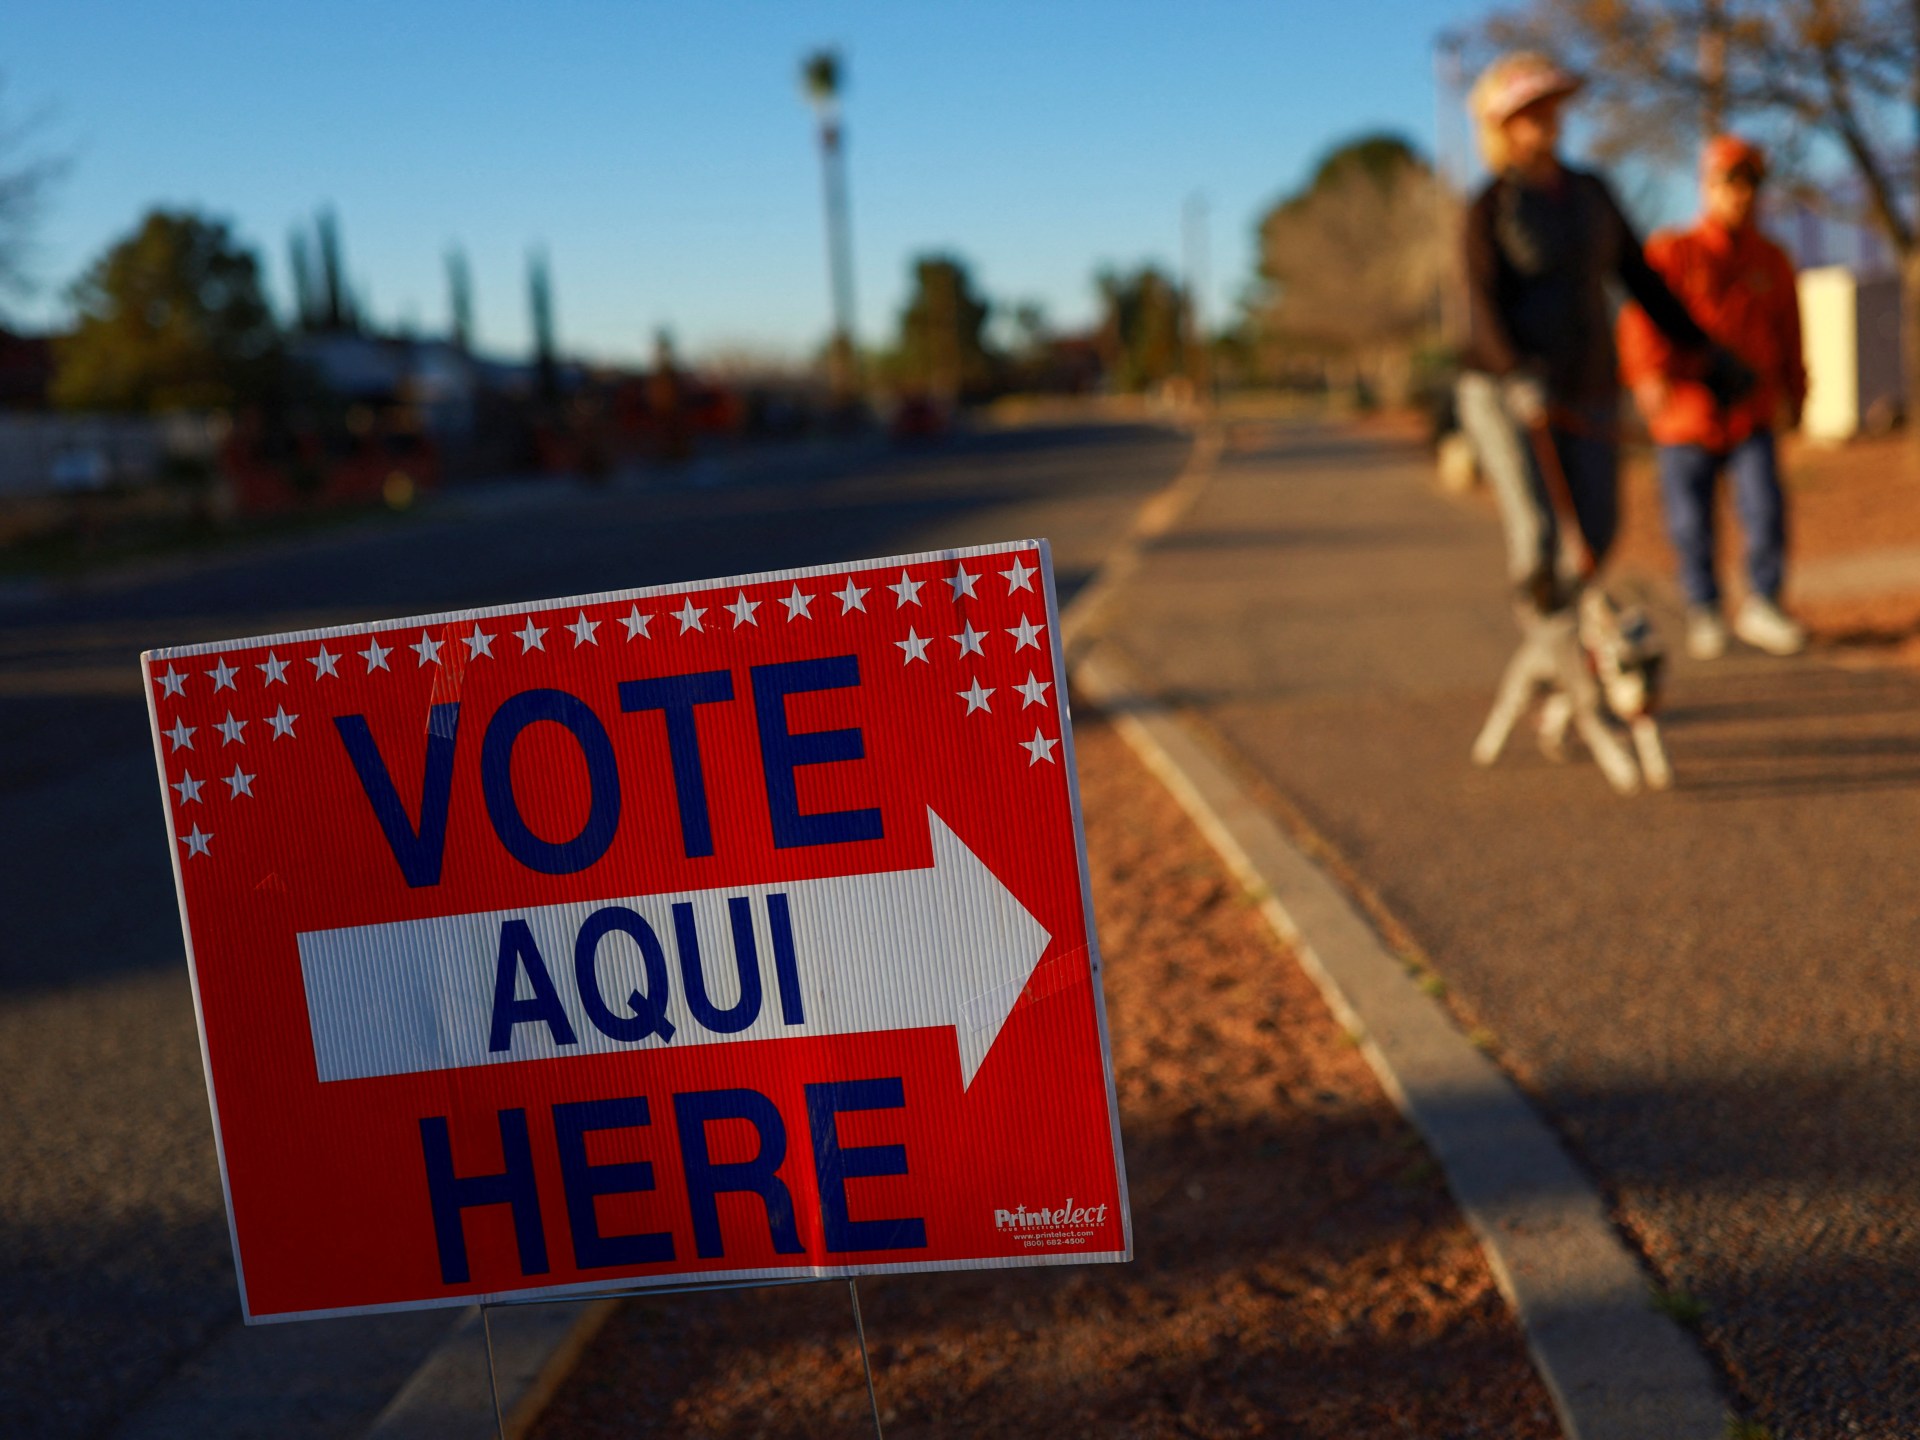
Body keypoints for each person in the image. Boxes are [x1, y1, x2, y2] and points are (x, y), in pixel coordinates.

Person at [1456, 52, 1741, 615]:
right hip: (1509, 392)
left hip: (1587, 385)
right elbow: (1481, 305)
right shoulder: (1488, 207)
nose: (1545, 121)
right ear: (1502, 125)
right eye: (1529, 111)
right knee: (1539, 538)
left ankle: (1574, 655)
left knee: (1597, 535)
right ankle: (1564, 667)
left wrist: (1703, 352)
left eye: (1549, 108)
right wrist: (1515, 375)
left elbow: (1640, 279)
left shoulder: (1591, 193)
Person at [1618, 135, 1808, 658]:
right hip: (1686, 411)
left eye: (1750, 185)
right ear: (1706, 187)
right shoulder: (1673, 251)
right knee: (1688, 521)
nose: (1741, 196)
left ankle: (1763, 602)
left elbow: (1790, 330)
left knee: (1765, 508)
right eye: (1730, 183)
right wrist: (1648, 376)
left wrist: (1798, 391)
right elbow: (1640, 320)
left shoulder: (1771, 259)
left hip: (1750, 409)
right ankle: (1704, 609)